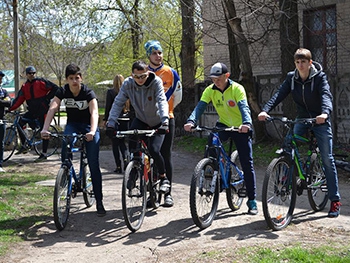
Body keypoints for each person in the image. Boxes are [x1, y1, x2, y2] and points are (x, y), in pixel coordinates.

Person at [258, 48, 341, 218]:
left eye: (303, 62)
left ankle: (334, 200)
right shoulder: (292, 78)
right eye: (297, 62)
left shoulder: (320, 77)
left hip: (320, 120)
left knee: (327, 158)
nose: (300, 65)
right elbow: (278, 95)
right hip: (302, 119)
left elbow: (326, 96)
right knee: (288, 144)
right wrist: (265, 110)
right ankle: (288, 176)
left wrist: (324, 114)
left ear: (310, 63)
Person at [184, 62, 258, 215]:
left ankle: (252, 201)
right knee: (212, 143)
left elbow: (244, 107)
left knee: (247, 162)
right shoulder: (210, 90)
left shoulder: (237, 88)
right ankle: (212, 171)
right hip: (224, 124)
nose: (215, 81)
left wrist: (246, 123)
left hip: (240, 127)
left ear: (227, 76)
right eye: (213, 79)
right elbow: (200, 107)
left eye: (219, 78)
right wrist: (191, 121)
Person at [41, 63, 106, 217]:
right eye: (71, 78)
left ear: (81, 78)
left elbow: (94, 113)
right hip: (73, 125)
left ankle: (99, 201)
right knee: (66, 141)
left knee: (93, 163)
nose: (75, 81)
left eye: (77, 78)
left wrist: (92, 130)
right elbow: (52, 108)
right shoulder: (62, 91)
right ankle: (65, 172)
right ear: (67, 79)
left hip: (89, 126)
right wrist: (45, 128)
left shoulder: (88, 92)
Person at [106, 60, 170, 194]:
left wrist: (165, 121)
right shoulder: (128, 84)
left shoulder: (156, 82)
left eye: (143, 76)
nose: (140, 79)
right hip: (141, 120)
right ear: (132, 75)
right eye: (137, 76)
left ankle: (163, 178)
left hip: (158, 121)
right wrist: (111, 123)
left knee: (154, 149)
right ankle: (134, 170)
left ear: (148, 73)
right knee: (133, 145)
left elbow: (162, 100)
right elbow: (118, 103)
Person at [144, 40, 183, 207]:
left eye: (160, 52)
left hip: (167, 118)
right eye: (154, 53)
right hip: (147, 120)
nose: (158, 56)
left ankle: (167, 193)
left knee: (165, 155)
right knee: (149, 155)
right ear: (148, 55)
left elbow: (177, 94)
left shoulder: (171, 72)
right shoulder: (142, 72)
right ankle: (151, 193)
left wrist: (166, 110)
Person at [9, 66, 59, 162]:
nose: (32, 75)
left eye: (33, 73)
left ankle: (44, 153)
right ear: (26, 75)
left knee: (44, 131)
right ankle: (24, 145)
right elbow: (19, 99)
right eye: (29, 73)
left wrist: (47, 98)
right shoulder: (24, 86)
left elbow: (55, 88)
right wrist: (10, 108)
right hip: (32, 111)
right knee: (20, 122)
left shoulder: (42, 82)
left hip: (43, 110)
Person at [103, 74, 129, 173]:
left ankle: (118, 166)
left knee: (115, 144)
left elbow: (108, 107)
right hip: (125, 120)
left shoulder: (111, 92)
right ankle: (126, 159)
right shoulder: (127, 91)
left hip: (115, 120)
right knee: (122, 143)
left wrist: (106, 120)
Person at [0, 71, 11, 172]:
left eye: (1, 78)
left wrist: (1, 101)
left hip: (1, 119)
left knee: (1, 143)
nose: (0, 80)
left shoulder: (3, 91)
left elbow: (9, 102)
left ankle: (0, 164)